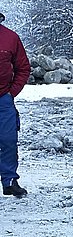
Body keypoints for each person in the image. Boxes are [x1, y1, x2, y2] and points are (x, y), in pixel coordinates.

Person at [0, 12, 31, 198]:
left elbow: (23, 68)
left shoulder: (11, 38)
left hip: (3, 98)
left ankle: (9, 181)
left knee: (9, 140)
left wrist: (12, 93)